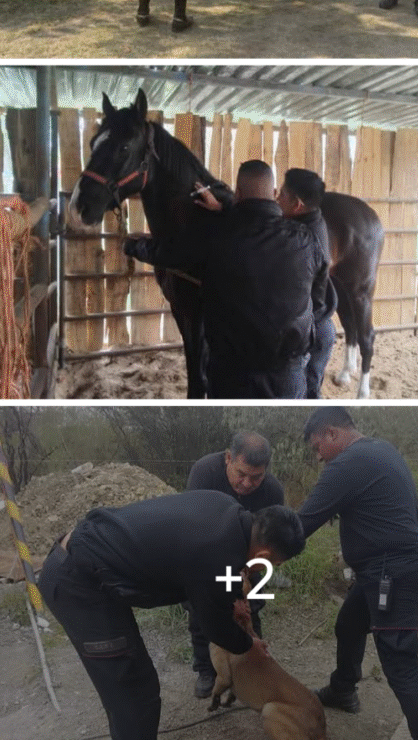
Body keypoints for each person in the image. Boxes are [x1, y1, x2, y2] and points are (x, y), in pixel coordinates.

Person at [40, 492, 304, 740]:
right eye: (273, 565)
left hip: (89, 563)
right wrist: (250, 645)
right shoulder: (217, 553)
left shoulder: (226, 511)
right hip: (79, 587)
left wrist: (231, 599)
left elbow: (214, 572)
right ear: (264, 555)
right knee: (134, 693)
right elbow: (216, 627)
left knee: (134, 690)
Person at [298, 408, 418, 740]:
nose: (319, 457)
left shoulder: (347, 464)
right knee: (349, 623)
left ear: (332, 433)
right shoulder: (380, 449)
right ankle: (342, 690)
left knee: (400, 663)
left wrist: (262, 546)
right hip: (391, 569)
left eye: (318, 447)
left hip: (391, 574)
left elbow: (302, 524)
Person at [127, 160, 326, 398]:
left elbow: (170, 253)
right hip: (288, 375)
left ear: (238, 194)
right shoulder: (306, 240)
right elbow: (319, 299)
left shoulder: (216, 238)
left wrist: (134, 245)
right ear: (273, 194)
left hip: (231, 375)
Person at [184, 432, 285, 696]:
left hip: (249, 560)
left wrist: (248, 580)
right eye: (241, 474)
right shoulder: (205, 473)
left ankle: (254, 667)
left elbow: (270, 542)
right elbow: (193, 526)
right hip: (206, 554)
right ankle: (206, 669)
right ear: (228, 458)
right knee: (201, 613)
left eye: (256, 477)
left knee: (251, 611)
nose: (247, 483)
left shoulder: (273, 490)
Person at [278, 168, 339, 398]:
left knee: (300, 393)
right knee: (312, 389)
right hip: (321, 325)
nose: (277, 197)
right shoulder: (314, 220)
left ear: (297, 205)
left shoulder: (299, 239)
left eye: (282, 194)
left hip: (310, 332)